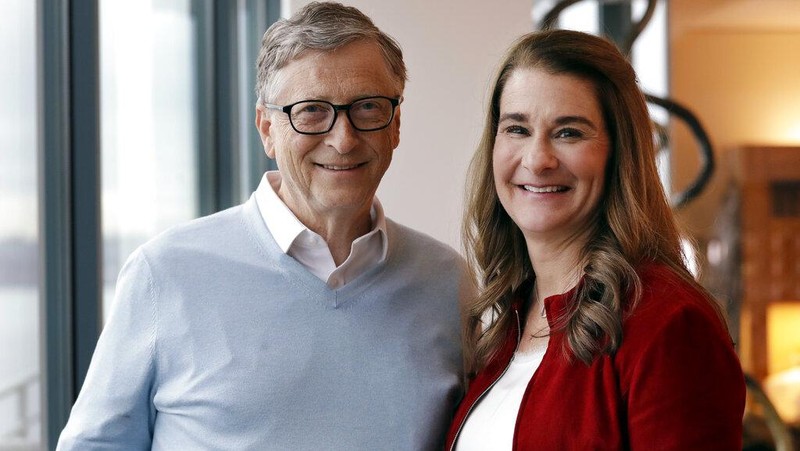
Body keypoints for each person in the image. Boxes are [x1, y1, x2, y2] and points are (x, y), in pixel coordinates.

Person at [57, 3, 471, 450]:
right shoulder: (165, 274)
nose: (343, 138)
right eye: (311, 111)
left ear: (395, 126)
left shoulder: (447, 282)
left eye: (368, 108)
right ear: (266, 128)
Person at [445, 29, 745, 450]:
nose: (537, 159)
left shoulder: (668, 322)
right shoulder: (504, 324)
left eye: (569, 132)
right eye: (517, 129)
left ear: (619, 153)